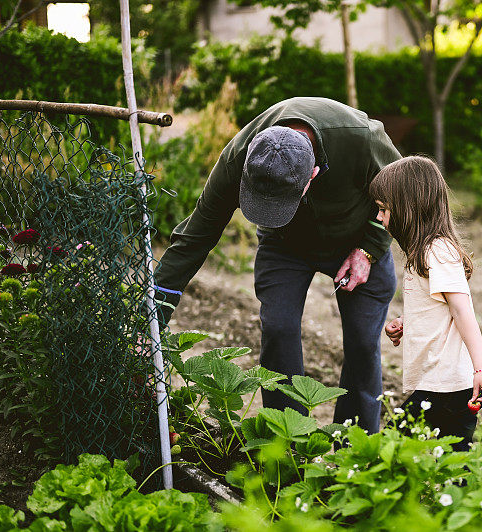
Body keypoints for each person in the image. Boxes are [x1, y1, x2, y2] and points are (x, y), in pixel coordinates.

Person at [153, 97, 401, 432]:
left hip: (357, 240)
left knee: (361, 342)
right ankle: (287, 439)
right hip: (285, 244)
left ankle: (354, 450)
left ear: (312, 175)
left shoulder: (361, 139)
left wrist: (369, 248)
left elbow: (406, 196)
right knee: (279, 328)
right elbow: (194, 238)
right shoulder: (240, 155)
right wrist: (149, 322)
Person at [370, 155, 482, 451]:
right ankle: (459, 495)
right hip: (441, 380)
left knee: (390, 448)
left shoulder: (437, 251)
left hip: (447, 383)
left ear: (408, 209)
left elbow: (462, 310)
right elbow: (437, 307)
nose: (379, 218)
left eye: (383, 210)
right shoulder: (423, 253)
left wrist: (481, 369)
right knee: (454, 456)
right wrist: (407, 323)